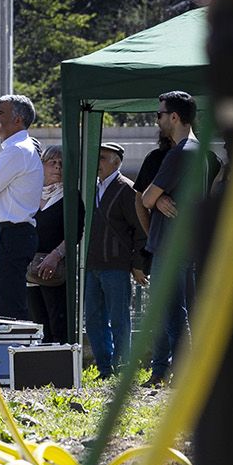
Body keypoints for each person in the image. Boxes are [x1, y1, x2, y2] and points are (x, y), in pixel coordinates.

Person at [140, 90, 221, 387]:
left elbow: (147, 198)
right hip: (185, 245)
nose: (157, 120)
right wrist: (160, 199)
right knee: (177, 309)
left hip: (170, 247)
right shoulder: (200, 153)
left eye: (159, 114)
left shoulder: (179, 153)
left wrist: (156, 199)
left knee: (174, 312)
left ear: (174, 117)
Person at [83, 142, 145, 376]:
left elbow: (140, 231)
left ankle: (123, 368)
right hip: (92, 266)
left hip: (117, 267)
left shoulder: (127, 189)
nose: (97, 162)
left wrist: (138, 265)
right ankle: (104, 368)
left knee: (120, 321)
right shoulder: (91, 187)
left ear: (116, 162)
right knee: (94, 321)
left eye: (102, 158)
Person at [0, 94, 43, 323]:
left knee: (11, 310)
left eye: (0, 113)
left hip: (10, 235)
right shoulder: (20, 148)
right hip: (11, 235)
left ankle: (17, 353)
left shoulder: (16, 150)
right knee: (10, 305)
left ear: (18, 119)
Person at [26, 147, 77, 344]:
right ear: (42, 165)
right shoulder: (30, 193)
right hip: (30, 268)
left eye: (62, 164)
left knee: (57, 322)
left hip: (56, 268)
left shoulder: (71, 197)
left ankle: (61, 369)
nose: (57, 167)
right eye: (52, 162)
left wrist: (55, 256)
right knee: (36, 322)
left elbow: (75, 233)